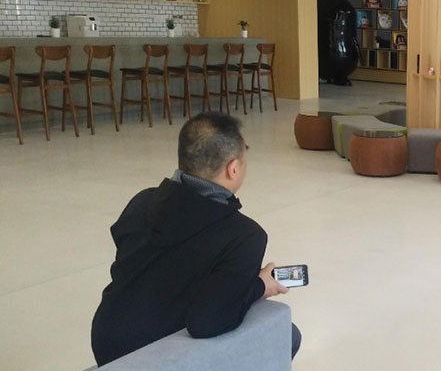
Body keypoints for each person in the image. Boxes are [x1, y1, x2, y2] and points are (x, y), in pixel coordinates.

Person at [91, 112, 300, 365]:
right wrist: (259, 286)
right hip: (158, 357)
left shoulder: (142, 201)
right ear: (233, 168)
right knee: (288, 336)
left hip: (107, 341)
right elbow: (208, 322)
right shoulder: (244, 235)